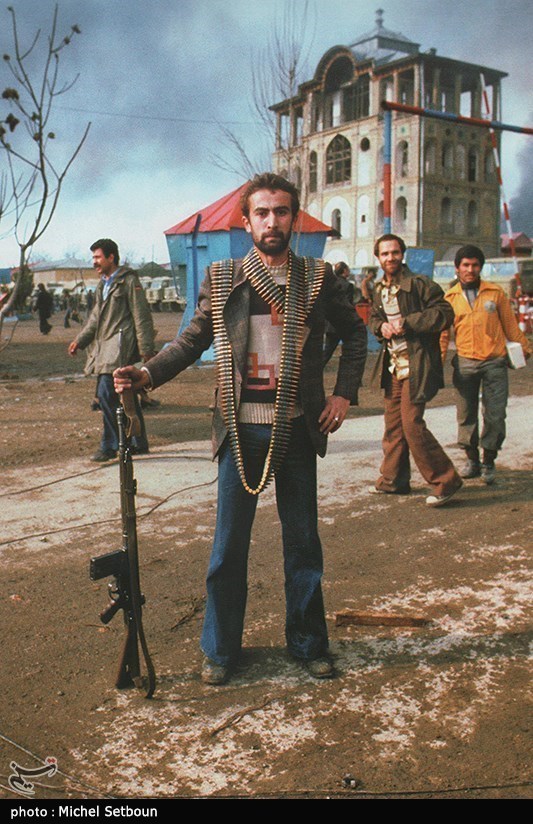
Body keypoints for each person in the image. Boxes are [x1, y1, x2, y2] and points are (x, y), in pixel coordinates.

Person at [114, 173, 367, 685]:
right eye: (262, 213)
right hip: (239, 429)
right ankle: (220, 650)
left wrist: (343, 394)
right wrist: (146, 374)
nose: (272, 222)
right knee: (228, 547)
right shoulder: (225, 276)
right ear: (247, 222)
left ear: (294, 218)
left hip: (296, 428)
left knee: (303, 544)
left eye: (281, 212)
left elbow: (356, 334)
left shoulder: (318, 278)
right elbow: (191, 340)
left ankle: (308, 644)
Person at [369, 233, 462, 507]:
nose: (390, 258)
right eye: (385, 254)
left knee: (412, 424)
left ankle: (446, 481)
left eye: (395, 252)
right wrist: (380, 327)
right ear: (378, 258)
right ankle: (393, 480)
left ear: (402, 254)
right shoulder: (378, 289)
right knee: (393, 425)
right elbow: (374, 317)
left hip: (417, 364)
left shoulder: (420, 284)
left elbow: (444, 313)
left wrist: (409, 322)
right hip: (393, 366)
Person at [440, 244, 531, 484]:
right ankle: (472, 460)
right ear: (457, 268)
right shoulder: (449, 298)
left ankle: (489, 461)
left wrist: (526, 349)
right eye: (465, 265)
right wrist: (437, 362)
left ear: (481, 267)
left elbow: (511, 326)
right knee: (465, 415)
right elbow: (443, 335)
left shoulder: (495, 293)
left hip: (494, 363)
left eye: (475, 265)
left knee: (495, 415)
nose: (470, 269)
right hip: (465, 364)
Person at [68, 238, 155, 462]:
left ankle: (110, 445)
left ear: (111, 257)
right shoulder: (103, 285)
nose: (94, 262)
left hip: (121, 347)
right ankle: (137, 442)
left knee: (106, 393)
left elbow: (141, 315)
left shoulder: (128, 282)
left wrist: (146, 349)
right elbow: (95, 318)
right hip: (104, 347)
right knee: (126, 395)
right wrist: (80, 340)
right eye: (93, 258)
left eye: (98, 257)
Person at [323, 261, 355, 365]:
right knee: (350, 349)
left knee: (328, 350)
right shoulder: (348, 286)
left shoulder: (330, 284)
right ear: (344, 271)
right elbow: (347, 306)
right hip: (343, 324)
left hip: (330, 324)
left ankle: (317, 368)